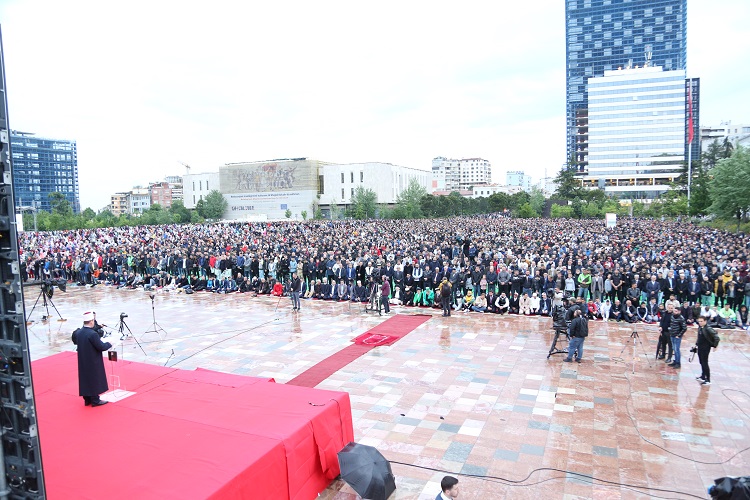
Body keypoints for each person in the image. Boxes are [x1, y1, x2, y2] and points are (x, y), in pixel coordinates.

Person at [71, 311, 112, 407]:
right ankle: (95, 399)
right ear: (91, 321)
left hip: (83, 359)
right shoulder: (92, 334)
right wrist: (110, 343)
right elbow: (101, 346)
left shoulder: (79, 332)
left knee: (85, 378)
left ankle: (87, 399)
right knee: (94, 377)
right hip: (93, 359)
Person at [695, 316, 720, 385]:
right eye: (699, 321)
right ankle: (703, 376)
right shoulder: (700, 328)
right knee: (701, 362)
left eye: (701, 321)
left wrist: (715, 346)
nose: (700, 323)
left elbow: (716, 337)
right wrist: (696, 345)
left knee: (704, 363)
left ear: (705, 321)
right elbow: (699, 337)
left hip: (705, 348)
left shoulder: (708, 329)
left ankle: (708, 379)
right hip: (700, 347)